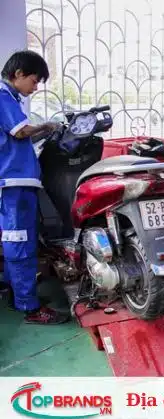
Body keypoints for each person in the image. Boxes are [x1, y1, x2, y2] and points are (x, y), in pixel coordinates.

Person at [1, 50, 68, 324]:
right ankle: (29, 307)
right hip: (13, 184)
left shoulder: (11, 97)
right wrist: (47, 126)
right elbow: (20, 131)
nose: (36, 87)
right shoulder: (3, 96)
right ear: (18, 73)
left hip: (18, 183)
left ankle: (16, 293)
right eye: (34, 80)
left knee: (18, 241)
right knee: (20, 244)